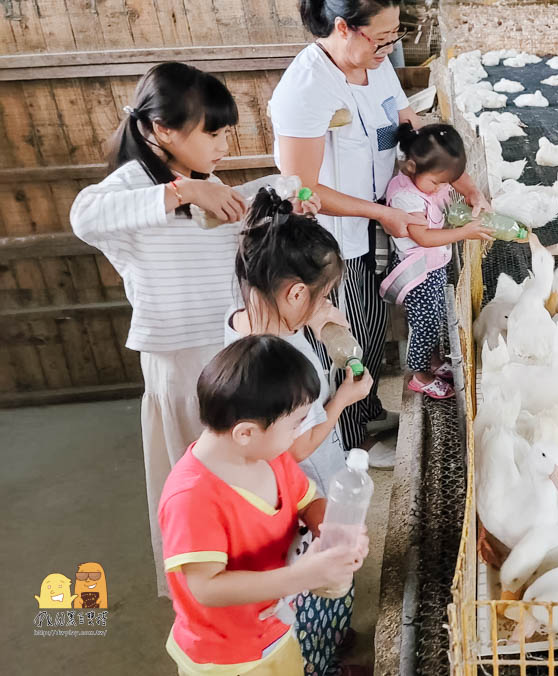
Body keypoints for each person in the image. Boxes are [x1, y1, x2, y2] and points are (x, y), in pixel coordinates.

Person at [69, 62, 281, 597]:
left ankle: (264, 598)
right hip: (182, 363)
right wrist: (184, 193)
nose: (223, 144)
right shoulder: (137, 186)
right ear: (164, 130)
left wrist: (269, 203)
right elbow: (83, 216)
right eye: (213, 131)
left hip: (226, 349)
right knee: (202, 495)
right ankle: (213, 606)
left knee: (243, 483)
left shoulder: (204, 180)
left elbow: (218, 248)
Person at [270, 0, 489, 450]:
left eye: (395, 37)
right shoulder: (306, 89)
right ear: (344, 27)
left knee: (371, 328)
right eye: (383, 37)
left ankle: (367, 414)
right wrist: (382, 213)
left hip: (378, 219)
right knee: (346, 337)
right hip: (332, 237)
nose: (390, 48)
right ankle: (350, 444)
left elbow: (410, 131)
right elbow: (301, 189)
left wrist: (463, 183)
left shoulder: (377, 63)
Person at [158, 335, 367, 676]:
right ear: (245, 433)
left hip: (275, 626)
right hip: (227, 658)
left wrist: (335, 527)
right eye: (296, 424)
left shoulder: (270, 457)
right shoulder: (192, 497)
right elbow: (207, 588)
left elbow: (307, 500)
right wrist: (300, 576)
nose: (300, 432)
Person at [229, 189, 375, 675]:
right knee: (316, 572)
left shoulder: (243, 329)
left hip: (286, 488)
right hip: (304, 483)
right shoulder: (286, 361)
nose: (327, 304)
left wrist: (319, 320)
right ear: (295, 293)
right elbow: (296, 445)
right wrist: (342, 403)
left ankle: (335, 637)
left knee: (322, 573)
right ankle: (323, 659)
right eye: (323, 295)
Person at [380, 123, 493, 398]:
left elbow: (442, 202)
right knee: (425, 322)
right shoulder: (406, 196)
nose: (440, 188)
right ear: (410, 168)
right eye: (436, 182)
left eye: (445, 182)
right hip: (418, 269)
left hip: (434, 265)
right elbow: (423, 237)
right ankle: (418, 373)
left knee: (434, 315)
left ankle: (431, 360)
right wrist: (464, 232)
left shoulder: (427, 182)